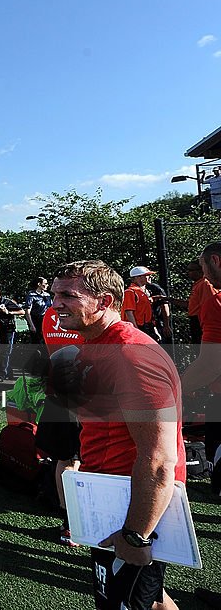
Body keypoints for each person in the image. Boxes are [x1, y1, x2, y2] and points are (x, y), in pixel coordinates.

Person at [50, 260, 184, 610]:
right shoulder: (96, 344)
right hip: (112, 497)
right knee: (150, 599)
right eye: (54, 295)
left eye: (68, 295)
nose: (55, 304)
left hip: (133, 506)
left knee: (128, 603)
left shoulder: (129, 354)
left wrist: (135, 535)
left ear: (105, 301)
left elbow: (158, 460)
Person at [36, 306, 84, 547]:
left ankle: (70, 519)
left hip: (61, 391)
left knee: (67, 459)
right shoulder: (81, 314)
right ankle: (71, 522)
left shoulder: (51, 313)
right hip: (77, 394)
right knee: (71, 459)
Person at [182, 242, 221, 488]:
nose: (202, 272)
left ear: (215, 260)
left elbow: (210, 364)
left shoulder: (216, 303)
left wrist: (176, 387)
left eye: (202, 265)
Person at [0, 284, 24, 382]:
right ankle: (7, 373)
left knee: (5, 352)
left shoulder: (6, 302)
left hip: (7, 330)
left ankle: (1, 375)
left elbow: (21, 311)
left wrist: (8, 312)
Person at [122, 266, 158, 341]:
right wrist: (136, 331)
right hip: (138, 328)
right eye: (146, 275)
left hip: (147, 327)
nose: (149, 277)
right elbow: (129, 313)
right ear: (137, 277)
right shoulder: (130, 292)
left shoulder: (144, 292)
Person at [23, 276, 52, 343]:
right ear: (39, 284)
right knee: (36, 341)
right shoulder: (31, 295)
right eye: (45, 283)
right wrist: (31, 325)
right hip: (36, 320)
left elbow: (51, 308)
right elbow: (27, 311)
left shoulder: (47, 295)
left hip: (46, 320)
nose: (47, 285)